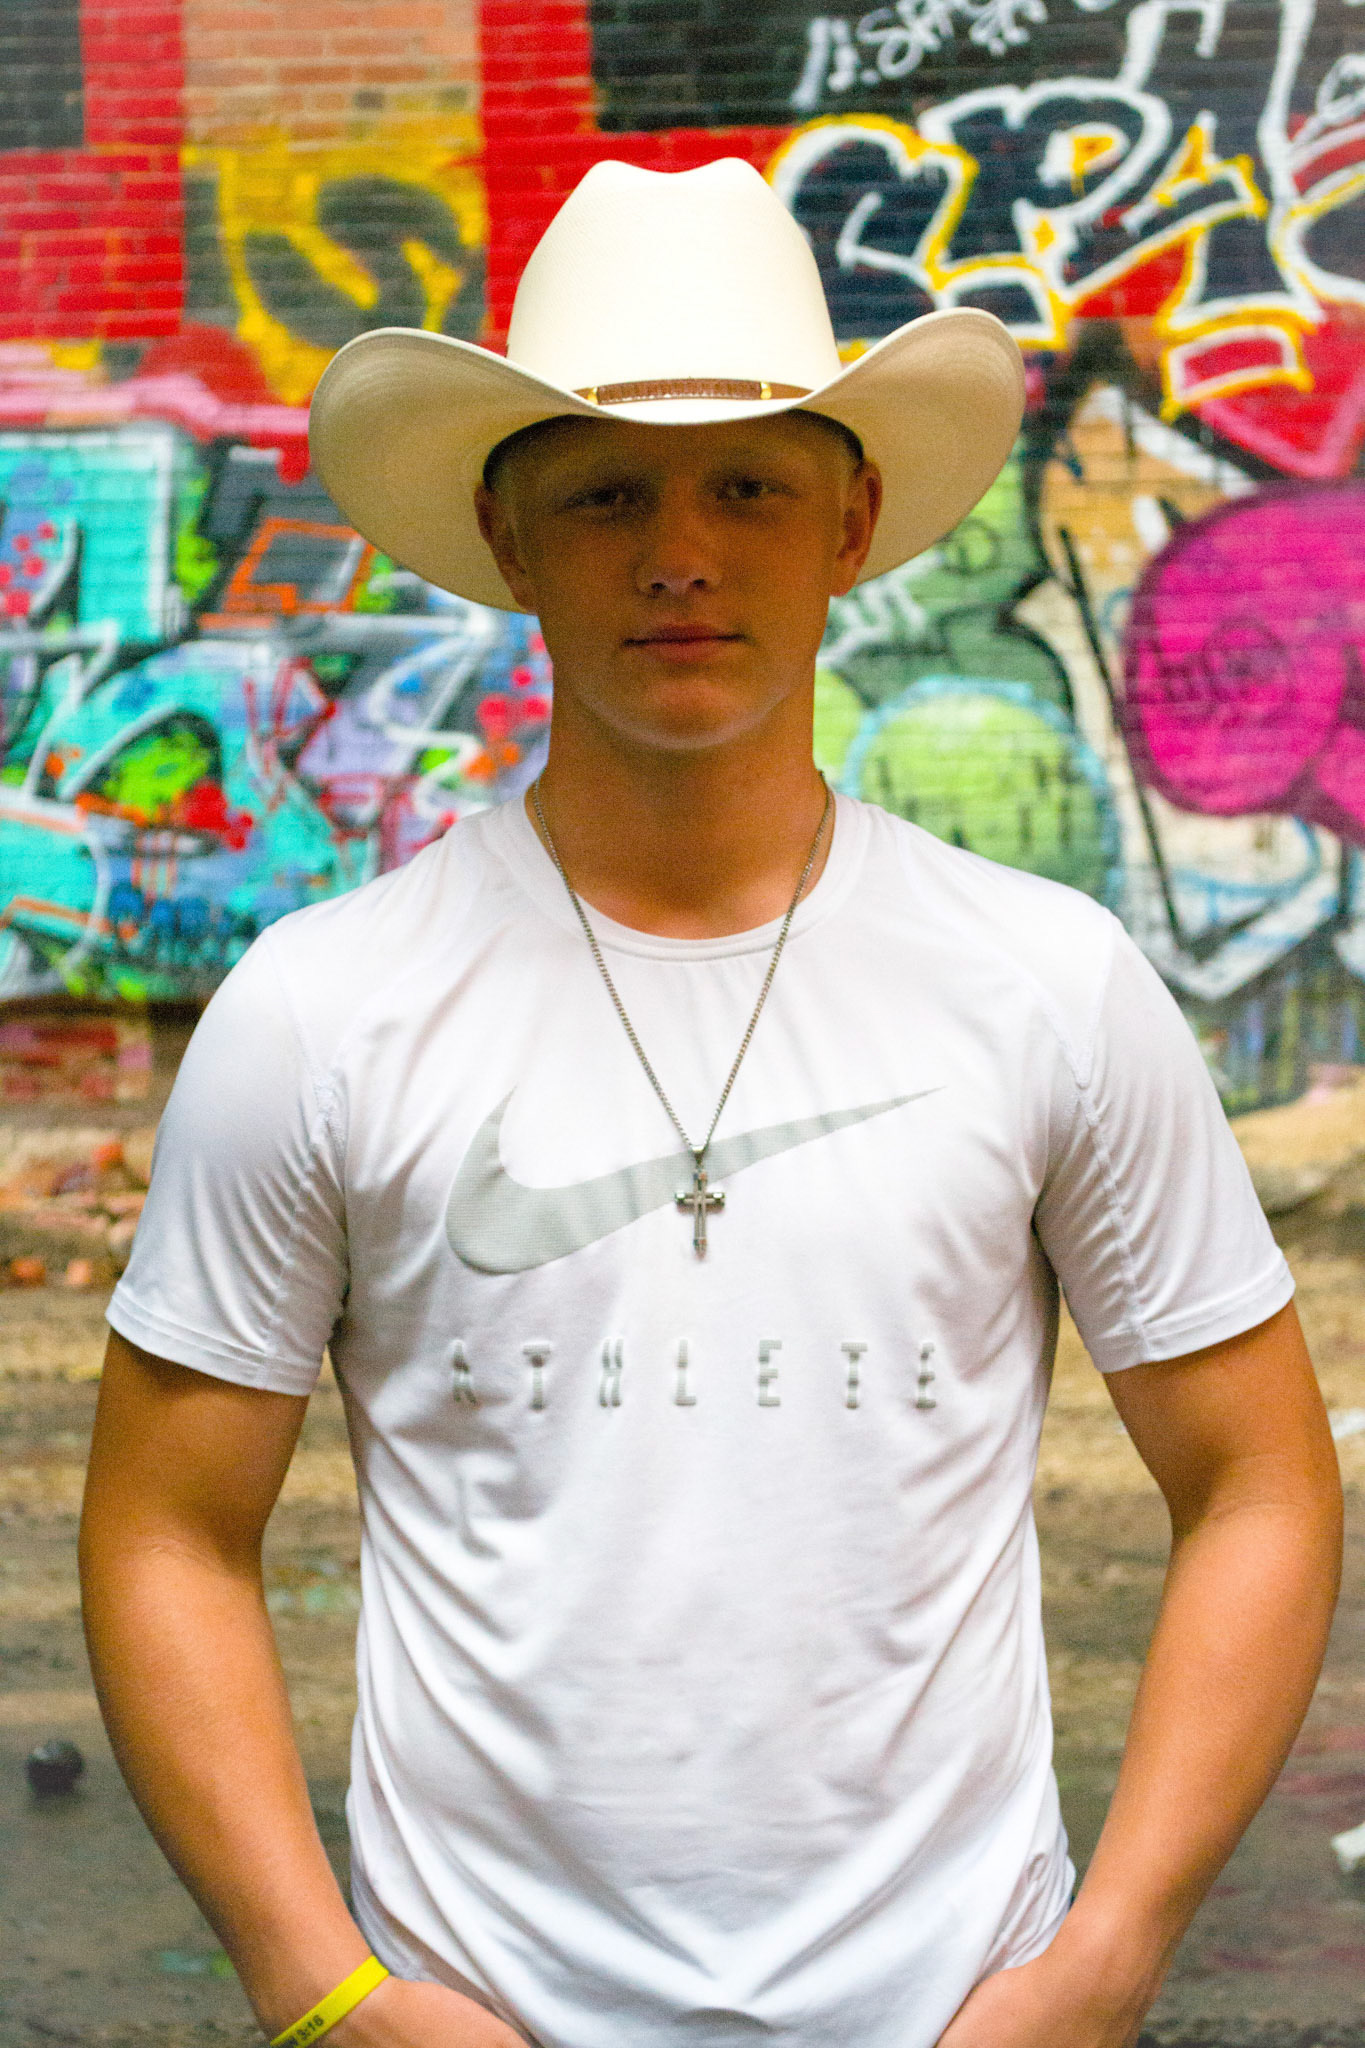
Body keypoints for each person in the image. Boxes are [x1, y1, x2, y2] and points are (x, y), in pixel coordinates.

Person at [79, 157, 1342, 2048]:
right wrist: (321, 1989)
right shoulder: (322, 1011)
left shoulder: (1046, 981)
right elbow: (165, 1531)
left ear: (849, 522)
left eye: (747, 484)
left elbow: (1257, 1481)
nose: (680, 551)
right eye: (607, 492)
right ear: (508, 537)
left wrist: (1103, 1964)